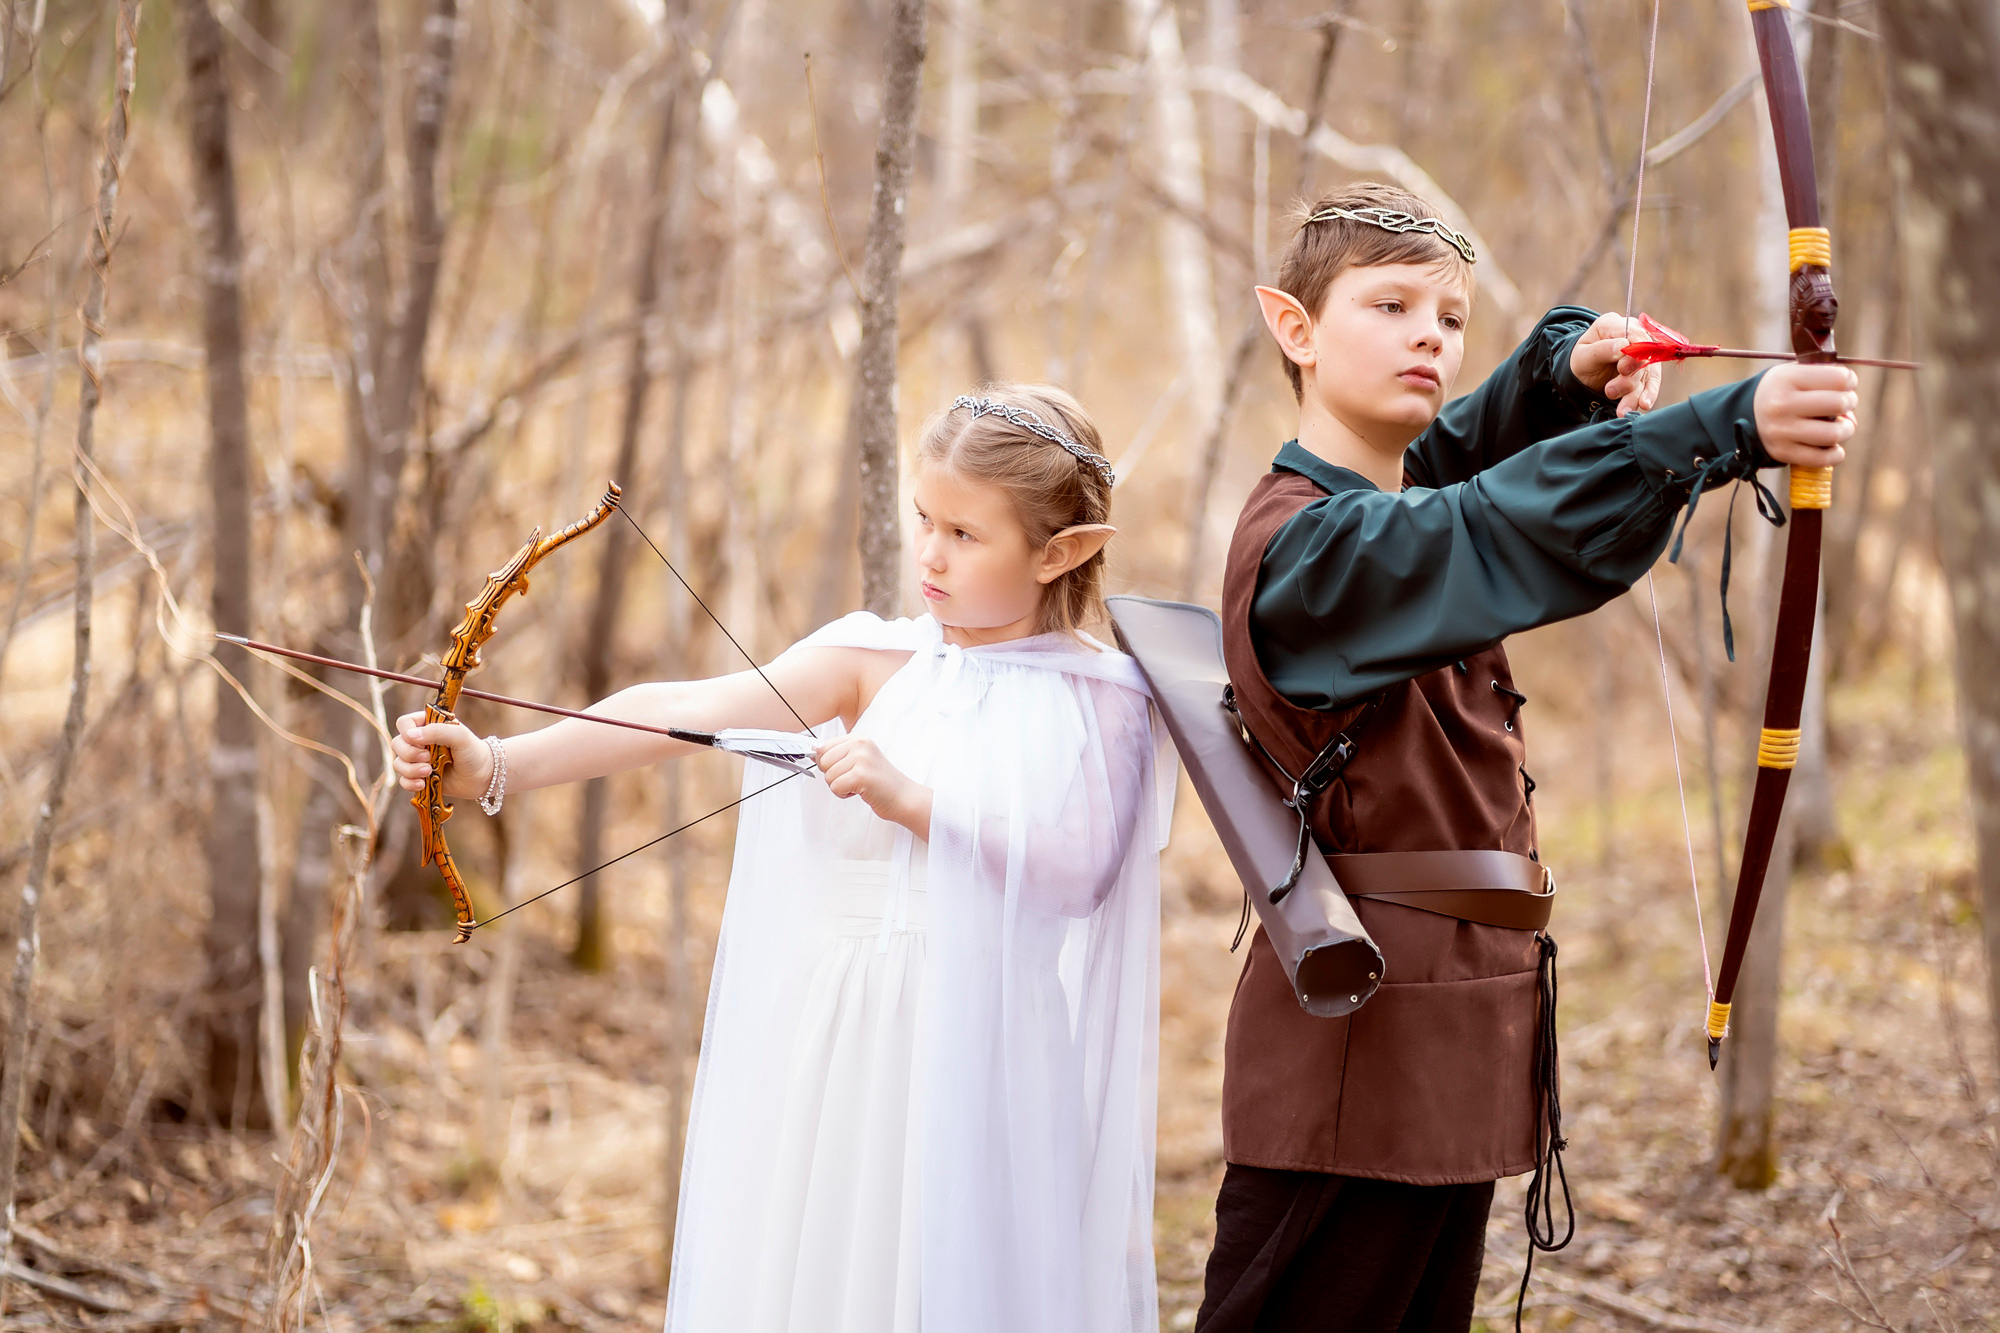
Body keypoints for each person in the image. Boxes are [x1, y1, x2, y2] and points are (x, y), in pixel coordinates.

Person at [1195, 183, 1857, 1333]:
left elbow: (1465, 460)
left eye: (1448, 318)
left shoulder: (1384, 498)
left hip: (1449, 1036)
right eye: (1388, 304)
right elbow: (1484, 526)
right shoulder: (1311, 550)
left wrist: (1567, 368)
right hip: (1352, 1057)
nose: (1427, 337)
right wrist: (1722, 426)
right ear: (1292, 326)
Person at [390, 386, 1170, 1333]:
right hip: (847, 1037)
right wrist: (496, 764)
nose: (929, 553)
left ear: (1062, 552)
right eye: (925, 519)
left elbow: (1080, 870)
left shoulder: (1107, 697)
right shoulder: (871, 660)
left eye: (967, 535)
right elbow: (679, 709)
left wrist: (913, 799)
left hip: (995, 1044)